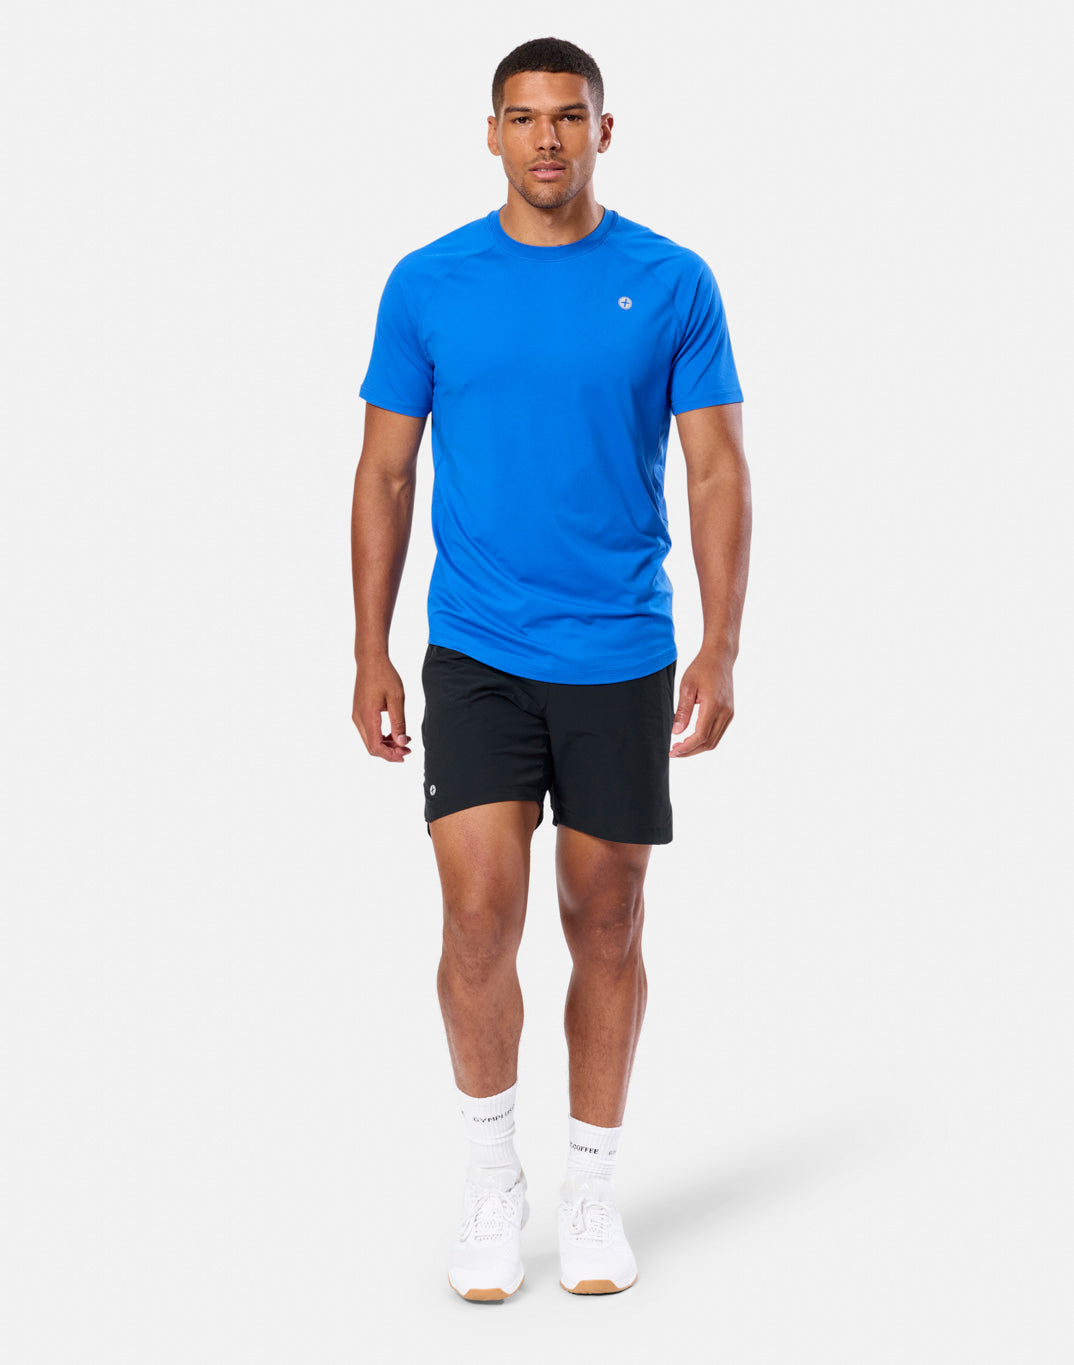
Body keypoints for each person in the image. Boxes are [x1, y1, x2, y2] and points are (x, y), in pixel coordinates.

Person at [350, 35, 751, 1301]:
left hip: (621, 650)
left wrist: (723, 643)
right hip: (475, 646)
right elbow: (385, 473)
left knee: (607, 916)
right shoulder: (428, 282)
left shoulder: (672, 281)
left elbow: (717, 469)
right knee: (478, 913)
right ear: (491, 133)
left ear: (603, 131)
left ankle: (588, 1187)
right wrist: (368, 648)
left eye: (568, 117)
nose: (545, 138)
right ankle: (491, 1182)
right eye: (522, 117)